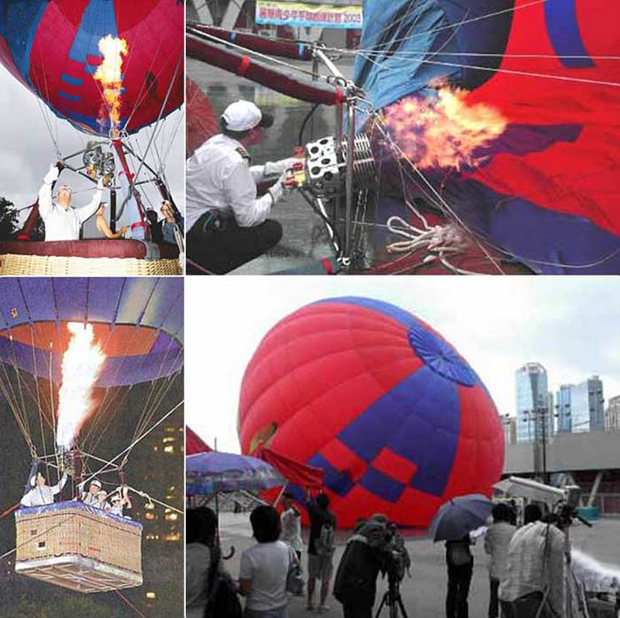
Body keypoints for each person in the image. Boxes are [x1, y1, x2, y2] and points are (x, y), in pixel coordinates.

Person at [186, 100, 299, 274]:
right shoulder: (235, 161)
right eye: (260, 127)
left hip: (189, 223)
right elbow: (247, 218)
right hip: (196, 238)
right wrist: (279, 189)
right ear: (252, 133)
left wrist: (277, 168)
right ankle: (206, 271)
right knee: (271, 230)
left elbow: (234, 179)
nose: (262, 131)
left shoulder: (215, 144)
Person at [498, 504, 565, 618]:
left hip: (505, 595)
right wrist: (558, 611)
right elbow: (556, 578)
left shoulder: (521, 531)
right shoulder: (554, 534)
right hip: (528, 599)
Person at [239, 505, 294, 618]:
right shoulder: (287, 549)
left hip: (256, 610)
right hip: (281, 609)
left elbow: (245, 590)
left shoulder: (249, 555)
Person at [333, 516, 389, 618]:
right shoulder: (375, 528)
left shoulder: (359, 533)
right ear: (382, 524)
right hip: (359, 587)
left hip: (345, 585)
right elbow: (377, 547)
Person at [39, 163, 103, 241]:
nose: (66, 196)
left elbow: (93, 207)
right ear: (57, 196)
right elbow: (44, 198)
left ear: (70, 197)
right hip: (54, 249)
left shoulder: (76, 214)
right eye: (63, 193)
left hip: (73, 249)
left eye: (68, 194)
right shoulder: (50, 212)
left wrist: (100, 191)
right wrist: (48, 182)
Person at [307, 492, 337, 613]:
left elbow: (308, 503)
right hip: (327, 551)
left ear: (318, 503)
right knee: (326, 579)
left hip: (314, 549)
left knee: (312, 577)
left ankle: (309, 602)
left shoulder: (314, 513)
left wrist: (308, 492)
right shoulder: (332, 516)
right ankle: (322, 604)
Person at [484, 503, 516, 618]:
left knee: (494, 598)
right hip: (509, 570)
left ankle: (492, 615)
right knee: (507, 599)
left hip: (495, 570)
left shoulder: (490, 530)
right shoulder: (514, 530)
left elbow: (488, 550)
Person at [445, 533, 474, 618]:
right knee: (463, 589)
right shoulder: (463, 530)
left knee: (452, 587)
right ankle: (461, 612)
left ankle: (450, 613)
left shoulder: (448, 530)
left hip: (452, 559)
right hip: (465, 561)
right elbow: (468, 542)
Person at [280, 492, 303, 560]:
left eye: (283, 499)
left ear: (289, 500)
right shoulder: (284, 512)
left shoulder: (292, 512)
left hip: (294, 546)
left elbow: (297, 515)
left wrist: (293, 507)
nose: (281, 500)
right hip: (285, 545)